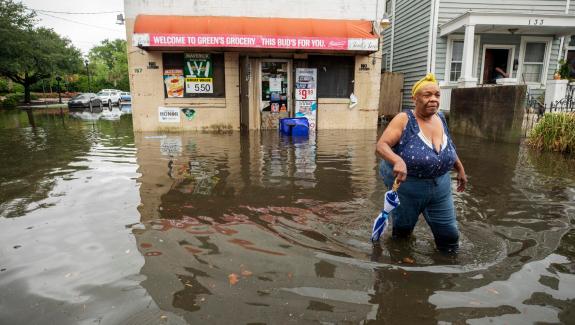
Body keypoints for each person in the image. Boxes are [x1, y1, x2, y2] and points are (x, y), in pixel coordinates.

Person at [375, 73, 467, 253]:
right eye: (427, 95)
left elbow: (448, 148)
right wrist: (397, 159)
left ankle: (446, 272)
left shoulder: (440, 118)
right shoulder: (404, 119)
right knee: (402, 235)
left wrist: (460, 169)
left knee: (450, 236)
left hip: (440, 187)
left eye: (437, 95)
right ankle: (402, 268)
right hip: (409, 188)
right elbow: (381, 145)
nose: (433, 99)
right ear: (415, 98)